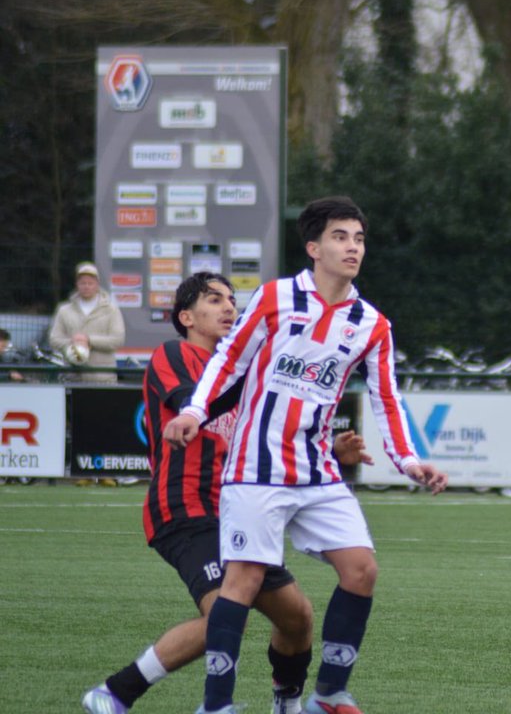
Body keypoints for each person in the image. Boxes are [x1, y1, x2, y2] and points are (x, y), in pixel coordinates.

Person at [163, 198, 449, 714]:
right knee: (244, 579)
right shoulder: (274, 299)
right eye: (341, 237)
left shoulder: (371, 324)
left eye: (359, 238)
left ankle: (329, 694)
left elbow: (388, 398)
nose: (353, 247)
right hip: (254, 466)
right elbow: (228, 359)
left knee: (361, 569)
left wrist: (409, 461)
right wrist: (195, 410)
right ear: (314, 248)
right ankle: (216, 705)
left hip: (316, 470)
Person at [82, 272, 372, 714]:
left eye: (232, 301)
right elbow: (193, 406)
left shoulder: (247, 371)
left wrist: (329, 447)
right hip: (185, 508)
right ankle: (117, 691)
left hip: (241, 511)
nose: (228, 308)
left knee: (298, 618)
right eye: (214, 300)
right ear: (186, 316)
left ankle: (286, 701)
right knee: (222, 609)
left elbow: (270, 431)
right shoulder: (174, 354)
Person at [48, 261, 126, 383]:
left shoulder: (111, 310)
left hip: (103, 378)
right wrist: (73, 342)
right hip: (73, 377)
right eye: (83, 283)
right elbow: (54, 339)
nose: (86, 286)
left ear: (97, 284)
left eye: (90, 283)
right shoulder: (64, 310)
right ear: (77, 284)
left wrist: (89, 340)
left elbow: (117, 340)